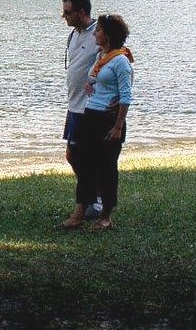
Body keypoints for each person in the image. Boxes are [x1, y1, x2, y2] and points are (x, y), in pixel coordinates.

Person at [66, 14, 134, 231]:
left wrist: (118, 126)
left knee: (106, 167)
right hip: (90, 114)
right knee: (84, 164)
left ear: (109, 34)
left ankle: (106, 216)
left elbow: (125, 95)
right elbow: (96, 79)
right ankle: (79, 213)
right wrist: (90, 85)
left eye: (99, 30)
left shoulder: (121, 61)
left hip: (108, 120)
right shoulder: (101, 57)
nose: (95, 33)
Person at [60, 0, 103, 224]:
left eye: (67, 12)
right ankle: (94, 196)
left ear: (81, 12)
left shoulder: (99, 35)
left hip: (90, 108)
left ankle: (91, 203)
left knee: (83, 156)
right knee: (72, 155)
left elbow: (112, 62)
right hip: (73, 106)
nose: (63, 16)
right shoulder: (73, 35)